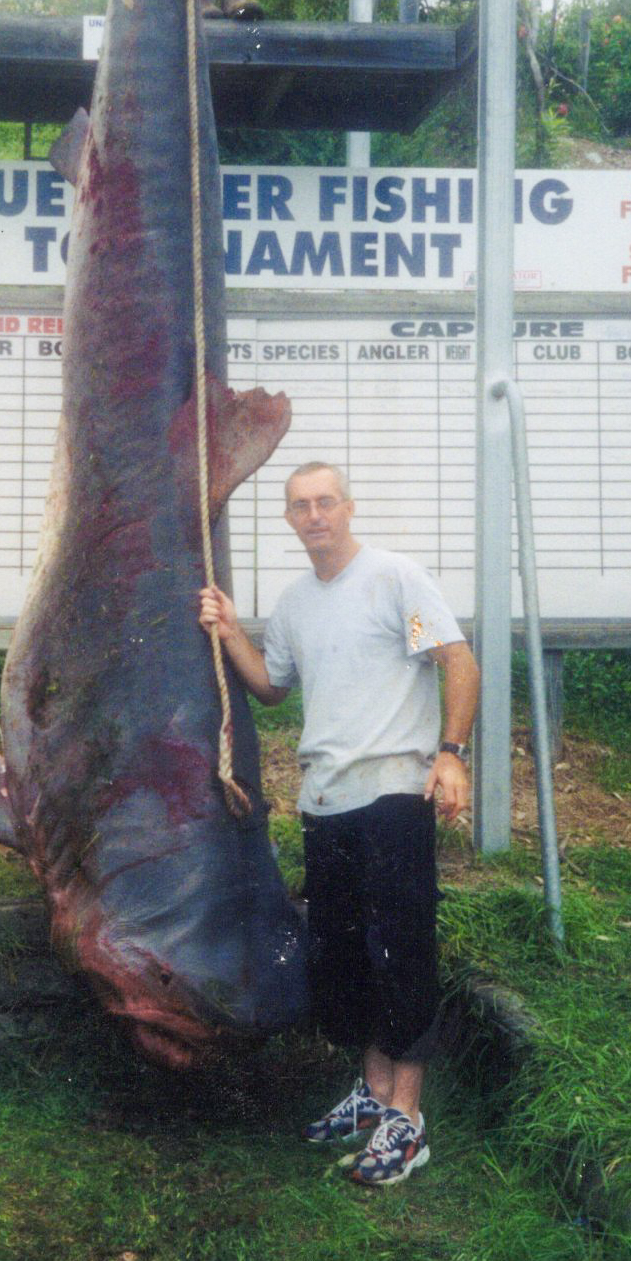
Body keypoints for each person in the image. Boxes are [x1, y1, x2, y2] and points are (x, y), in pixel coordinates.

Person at [198, 462, 480, 1187]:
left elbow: (457, 659)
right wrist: (230, 631)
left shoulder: (395, 579)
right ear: (290, 520)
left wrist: (450, 755)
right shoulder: (294, 604)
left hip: (393, 792)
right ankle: (373, 1093)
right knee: (348, 955)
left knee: (400, 949)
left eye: (326, 502)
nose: (315, 515)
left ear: (348, 508)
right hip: (324, 801)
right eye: (301, 506)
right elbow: (270, 686)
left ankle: (406, 1121)